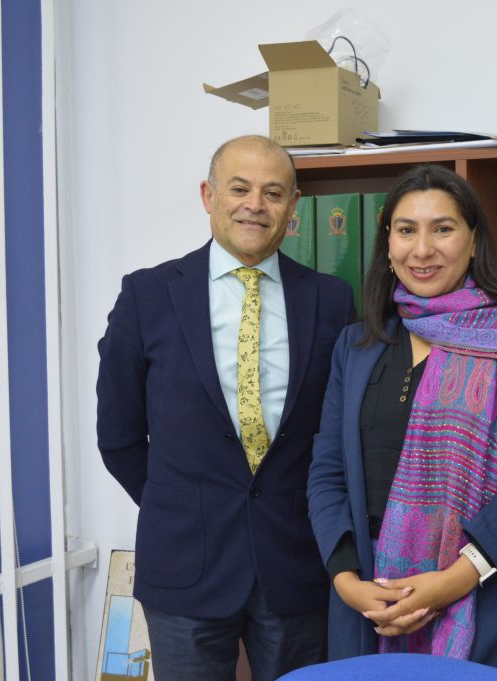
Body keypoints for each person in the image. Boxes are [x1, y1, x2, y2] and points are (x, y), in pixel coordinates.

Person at [306, 164, 497, 679]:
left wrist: (452, 581)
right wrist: (346, 580)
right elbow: (326, 468)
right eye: (406, 230)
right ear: (387, 244)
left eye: (443, 228)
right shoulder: (358, 344)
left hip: (492, 602)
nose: (422, 249)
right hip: (369, 603)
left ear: (474, 239)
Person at [97, 135, 354, 680]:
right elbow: (118, 435)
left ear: (294, 205)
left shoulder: (332, 300)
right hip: (184, 565)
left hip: (296, 563)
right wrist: (180, 504)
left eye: (273, 192)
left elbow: (335, 433)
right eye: (239, 188)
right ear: (208, 195)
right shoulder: (147, 296)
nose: (254, 205)